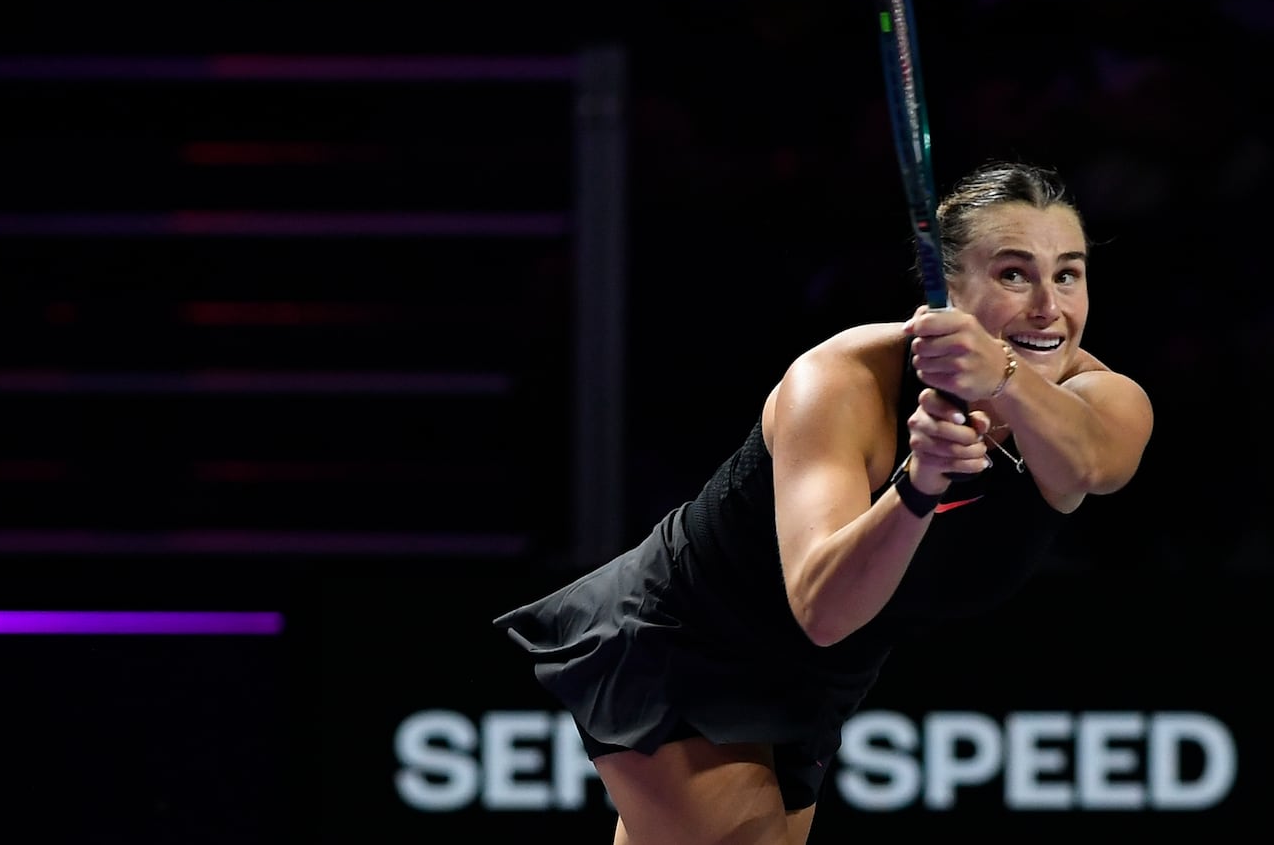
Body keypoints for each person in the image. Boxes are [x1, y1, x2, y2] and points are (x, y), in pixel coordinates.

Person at [493, 159, 1154, 844]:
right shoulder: (842, 380)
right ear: (948, 287)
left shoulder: (1104, 401)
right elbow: (824, 608)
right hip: (684, 637)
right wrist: (918, 485)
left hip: (818, 684)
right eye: (1014, 273)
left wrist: (1006, 376)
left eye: (1068, 274)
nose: (1049, 306)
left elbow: (1094, 466)